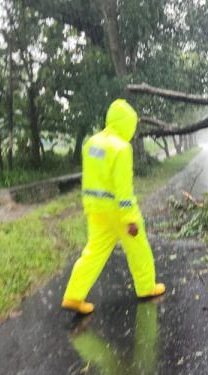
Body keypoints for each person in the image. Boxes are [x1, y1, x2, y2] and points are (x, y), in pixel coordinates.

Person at [61, 99, 165, 314]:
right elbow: (123, 188)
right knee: (139, 249)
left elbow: (90, 178)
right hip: (118, 212)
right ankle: (146, 287)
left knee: (93, 252)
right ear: (127, 124)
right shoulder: (121, 148)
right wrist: (130, 218)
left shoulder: (91, 143)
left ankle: (73, 295)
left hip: (95, 209)